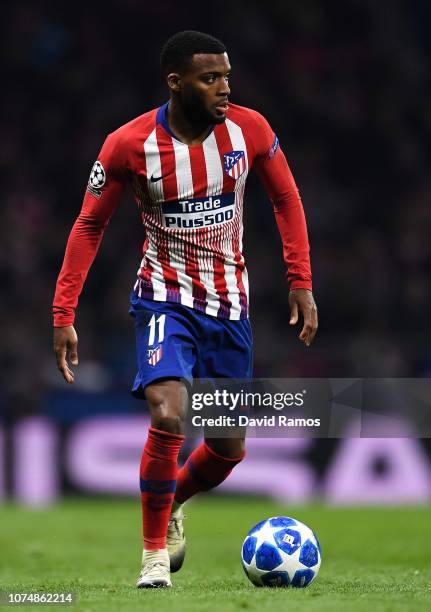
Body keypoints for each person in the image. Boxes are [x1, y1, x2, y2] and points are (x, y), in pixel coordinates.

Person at [52, 30, 318, 588]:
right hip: (163, 298)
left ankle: (170, 501)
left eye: (226, 77)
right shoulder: (127, 145)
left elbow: (286, 198)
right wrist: (64, 312)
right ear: (176, 83)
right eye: (210, 78)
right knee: (168, 413)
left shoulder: (251, 129)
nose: (224, 89)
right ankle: (153, 559)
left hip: (230, 306)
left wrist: (301, 280)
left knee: (227, 448)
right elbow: (89, 224)